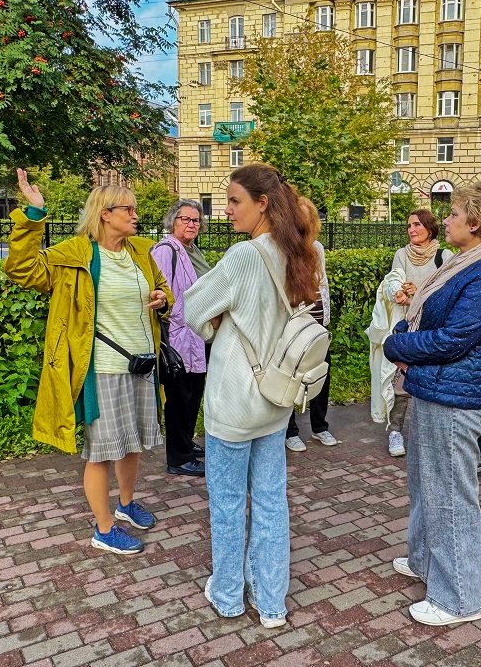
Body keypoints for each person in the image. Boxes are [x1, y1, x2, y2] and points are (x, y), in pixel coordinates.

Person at [4, 169, 170, 555]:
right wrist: (33, 213)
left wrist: (162, 298)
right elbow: (22, 270)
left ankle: (126, 505)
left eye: (135, 209)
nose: (134, 215)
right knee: (102, 450)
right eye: (127, 209)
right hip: (103, 368)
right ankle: (104, 528)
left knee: (133, 445)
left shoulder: (141, 252)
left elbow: (162, 290)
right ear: (104, 214)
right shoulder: (76, 254)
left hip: (143, 365)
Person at [183, 163, 320, 630]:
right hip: (275, 399)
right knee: (270, 501)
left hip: (233, 400)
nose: (226, 209)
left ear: (263, 203)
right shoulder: (298, 253)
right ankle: (271, 600)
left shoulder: (245, 257)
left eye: (235, 200)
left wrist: (214, 324)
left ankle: (227, 595)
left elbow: (193, 306)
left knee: (225, 502)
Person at [383, 183, 481, 626]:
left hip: (454, 396)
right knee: (426, 485)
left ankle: (459, 598)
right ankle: (425, 562)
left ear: (474, 223)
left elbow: (454, 339)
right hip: (434, 388)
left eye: (455, 213)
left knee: (451, 497)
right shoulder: (464, 264)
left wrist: (399, 342)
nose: (449, 219)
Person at [378, 209, 446, 458]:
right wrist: (399, 292)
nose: (411, 230)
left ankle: (431, 435)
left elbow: (446, 293)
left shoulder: (443, 255)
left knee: (434, 381)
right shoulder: (401, 254)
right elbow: (393, 281)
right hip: (408, 327)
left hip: (434, 328)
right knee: (401, 380)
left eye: (417, 225)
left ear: (429, 227)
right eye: (408, 226)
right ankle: (395, 431)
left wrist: (419, 293)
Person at [151, 199, 210, 477]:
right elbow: (161, 293)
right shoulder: (167, 250)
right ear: (172, 222)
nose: (191, 224)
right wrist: (174, 327)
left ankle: (186, 443)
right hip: (178, 337)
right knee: (178, 398)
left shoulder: (191, 249)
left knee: (192, 394)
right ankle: (178, 457)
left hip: (195, 335)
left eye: (196, 220)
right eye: (185, 219)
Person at [285, 198, 337, 452]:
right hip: (294, 325)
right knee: (293, 375)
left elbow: (322, 284)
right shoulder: (284, 249)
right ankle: (290, 430)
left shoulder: (317, 248)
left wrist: (325, 319)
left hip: (318, 323)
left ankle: (320, 427)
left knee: (321, 374)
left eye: (307, 218)